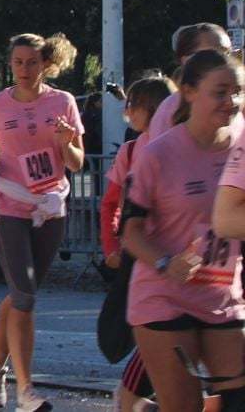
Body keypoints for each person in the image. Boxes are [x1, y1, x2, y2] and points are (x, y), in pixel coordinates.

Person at [123, 48, 245, 410]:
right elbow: (130, 232)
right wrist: (165, 263)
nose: (231, 101)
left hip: (223, 296)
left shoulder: (241, 149)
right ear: (189, 92)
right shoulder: (159, 154)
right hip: (165, 297)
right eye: (220, 92)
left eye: (237, 92)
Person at [0, 33, 85, 412]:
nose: (24, 69)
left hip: (50, 206)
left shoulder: (63, 102)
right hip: (8, 204)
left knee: (22, 295)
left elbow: (76, 163)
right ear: (11, 64)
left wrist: (65, 142)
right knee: (24, 296)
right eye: (18, 62)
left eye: (32, 62)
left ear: (46, 64)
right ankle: (26, 390)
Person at [101, 74, 176, 412]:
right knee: (150, 327)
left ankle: (144, 398)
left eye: (132, 106)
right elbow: (110, 203)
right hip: (143, 254)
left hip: (179, 252)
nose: (127, 112)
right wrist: (110, 246)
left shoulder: (186, 143)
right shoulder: (132, 150)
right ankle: (132, 397)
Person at [148, 24, 234, 139]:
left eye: (228, 53)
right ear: (186, 60)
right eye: (213, 54)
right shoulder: (168, 111)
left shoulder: (238, 103)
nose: (224, 61)